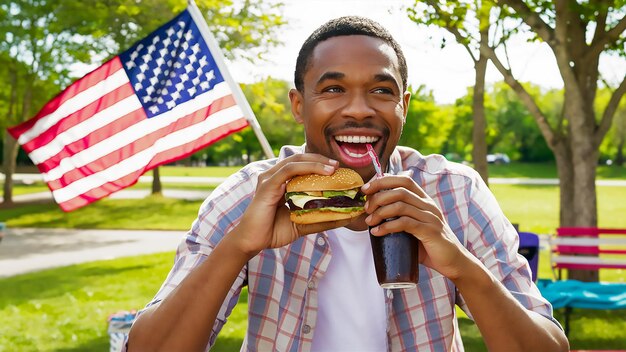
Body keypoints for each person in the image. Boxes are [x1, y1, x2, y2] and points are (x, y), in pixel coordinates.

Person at [127, 16, 569, 351]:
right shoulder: (249, 194)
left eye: (381, 91)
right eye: (333, 90)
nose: (358, 110)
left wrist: (460, 265)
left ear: (404, 106)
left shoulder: (455, 191)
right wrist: (238, 245)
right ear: (299, 106)